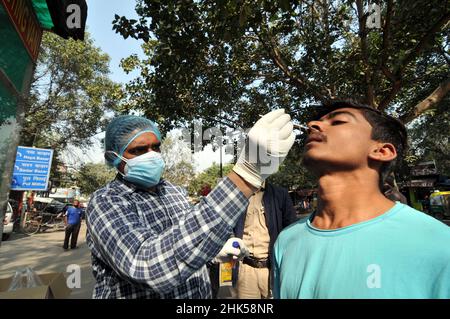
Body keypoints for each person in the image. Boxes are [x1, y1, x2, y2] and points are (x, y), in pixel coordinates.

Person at [85, 110, 295, 298]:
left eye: (155, 147)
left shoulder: (174, 191)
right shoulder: (106, 201)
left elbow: (187, 240)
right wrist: (245, 175)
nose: (151, 155)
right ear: (113, 157)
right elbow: (146, 267)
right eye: (139, 151)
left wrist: (213, 251)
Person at [273, 99, 450, 299]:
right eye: (314, 123)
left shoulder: (438, 245)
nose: (312, 126)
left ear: (382, 151)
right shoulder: (287, 240)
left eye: (338, 122)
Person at [233, 181, 296, 299]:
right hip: (246, 270)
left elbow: (292, 231)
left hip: (273, 270)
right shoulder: (237, 195)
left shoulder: (279, 194)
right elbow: (228, 227)